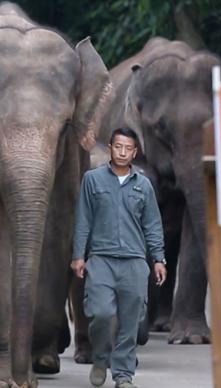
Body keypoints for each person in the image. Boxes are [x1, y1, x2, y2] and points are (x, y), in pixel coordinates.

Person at [71, 127, 167, 388]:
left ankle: (123, 375)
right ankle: (101, 358)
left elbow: (153, 225)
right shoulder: (92, 180)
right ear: (110, 149)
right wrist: (79, 255)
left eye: (128, 148)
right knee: (101, 314)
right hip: (101, 259)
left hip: (135, 261)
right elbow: (83, 220)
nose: (123, 152)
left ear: (134, 152)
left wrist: (158, 258)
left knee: (130, 322)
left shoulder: (143, 185)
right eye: (118, 147)